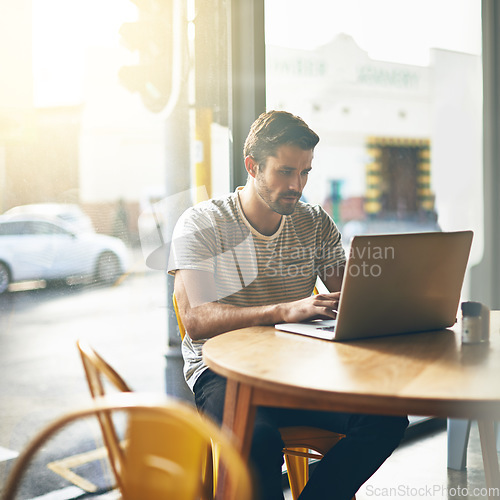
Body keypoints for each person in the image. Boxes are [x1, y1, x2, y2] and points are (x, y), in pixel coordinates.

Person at [168, 110, 408, 500]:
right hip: (223, 374)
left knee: (386, 419)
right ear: (253, 166)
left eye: (305, 172)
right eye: (285, 172)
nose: (297, 185)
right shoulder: (202, 223)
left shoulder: (313, 222)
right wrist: (282, 310)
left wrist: (409, 301)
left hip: (300, 371)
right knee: (257, 441)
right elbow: (197, 320)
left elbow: (354, 298)